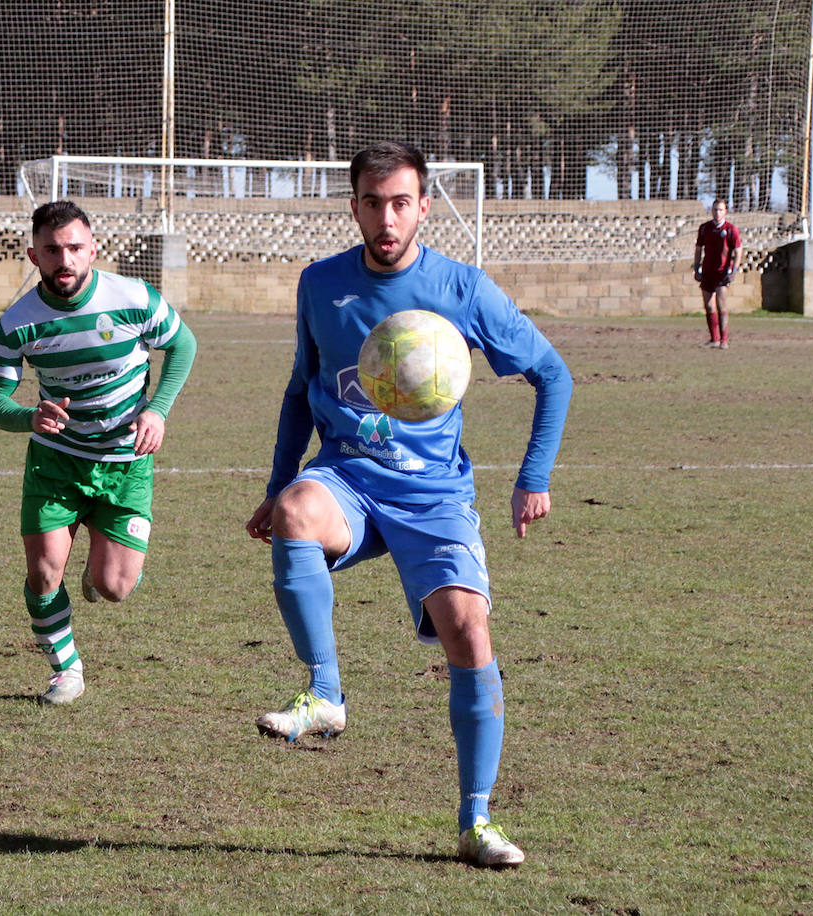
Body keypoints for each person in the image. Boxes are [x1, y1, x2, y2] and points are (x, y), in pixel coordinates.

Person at [245, 141, 572, 867]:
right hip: (350, 481)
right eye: (372, 202)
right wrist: (276, 485)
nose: (387, 218)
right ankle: (324, 695)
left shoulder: (462, 288)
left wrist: (534, 476)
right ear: (354, 205)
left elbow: (553, 373)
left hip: (434, 496)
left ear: (424, 206)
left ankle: (477, 822)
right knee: (298, 513)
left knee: (468, 633)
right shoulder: (320, 284)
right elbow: (302, 390)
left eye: (401, 202)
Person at [0, 201, 197, 706]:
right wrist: (28, 417)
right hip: (56, 461)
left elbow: (183, 345)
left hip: (125, 462)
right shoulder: (18, 323)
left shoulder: (133, 297)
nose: (65, 260)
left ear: (93, 249)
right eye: (53, 250)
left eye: (75, 248)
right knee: (43, 572)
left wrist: (158, 409)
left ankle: (101, 566)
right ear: (34, 255)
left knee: (115, 587)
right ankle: (66, 671)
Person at [692, 198, 741, 350]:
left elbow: (738, 251)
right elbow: (699, 249)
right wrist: (696, 267)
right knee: (708, 305)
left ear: (725, 211)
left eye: (720, 210)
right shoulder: (704, 228)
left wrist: (733, 270)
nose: (717, 213)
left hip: (722, 272)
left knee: (721, 303)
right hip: (708, 271)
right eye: (715, 209)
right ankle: (714, 339)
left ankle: (724, 340)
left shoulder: (731, 229)